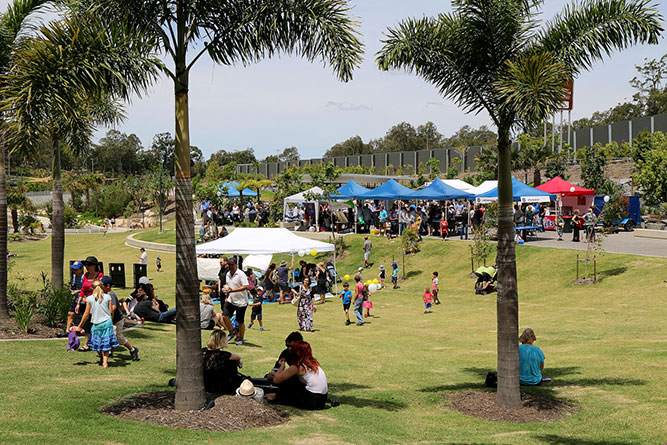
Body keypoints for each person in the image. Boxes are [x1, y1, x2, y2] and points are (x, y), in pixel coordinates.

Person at [268, 341, 328, 410]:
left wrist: (282, 366)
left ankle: (277, 397)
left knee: (291, 379)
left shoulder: (298, 366)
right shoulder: (312, 362)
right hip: (322, 400)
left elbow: (276, 380)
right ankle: (276, 395)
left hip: (312, 402)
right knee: (293, 378)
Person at [76, 279, 118, 368]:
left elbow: (86, 313)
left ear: (92, 288)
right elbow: (111, 312)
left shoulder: (89, 299)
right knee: (106, 343)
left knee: (96, 342)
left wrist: (79, 326)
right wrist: (112, 320)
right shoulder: (107, 297)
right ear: (102, 286)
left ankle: (101, 357)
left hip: (96, 323)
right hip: (107, 322)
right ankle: (105, 362)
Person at [102, 276, 140, 361]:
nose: (100, 287)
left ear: (107, 286)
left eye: (102, 286)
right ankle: (109, 352)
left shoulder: (111, 294)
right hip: (110, 319)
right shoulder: (104, 294)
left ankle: (133, 350)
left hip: (117, 320)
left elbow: (114, 307)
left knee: (118, 337)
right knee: (108, 335)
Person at [201, 330, 244, 394]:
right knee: (231, 363)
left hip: (205, 382)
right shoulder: (224, 355)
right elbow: (238, 358)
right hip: (219, 386)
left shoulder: (202, 351)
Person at [75, 256, 104, 351]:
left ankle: (100, 344)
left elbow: (102, 291)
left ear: (95, 266)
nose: (87, 266)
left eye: (89, 265)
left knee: (97, 324)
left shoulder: (100, 276)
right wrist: (78, 303)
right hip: (87, 302)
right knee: (87, 324)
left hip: (96, 303)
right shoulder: (86, 275)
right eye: (86, 265)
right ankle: (87, 345)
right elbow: (83, 290)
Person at [221, 257, 250, 345]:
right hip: (231, 300)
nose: (230, 266)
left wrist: (232, 291)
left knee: (240, 321)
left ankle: (241, 338)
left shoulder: (241, 274)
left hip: (241, 302)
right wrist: (227, 294)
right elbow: (229, 286)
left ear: (236, 264)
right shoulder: (227, 274)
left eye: (232, 265)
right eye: (229, 265)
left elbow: (246, 286)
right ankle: (231, 332)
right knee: (224, 316)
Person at [63, 261, 85, 335]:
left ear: (81, 269)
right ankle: (67, 331)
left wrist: (78, 291)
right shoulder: (74, 277)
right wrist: (72, 289)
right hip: (76, 299)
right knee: (70, 313)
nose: (74, 271)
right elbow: (74, 285)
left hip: (84, 300)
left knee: (85, 316)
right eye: (73, 269)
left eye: (76, 269)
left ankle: (85, 330)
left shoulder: (84, 277)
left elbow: (88, 289)